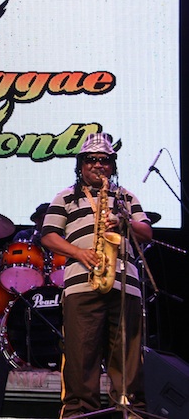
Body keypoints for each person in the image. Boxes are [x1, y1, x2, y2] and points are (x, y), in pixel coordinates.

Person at [40, 132, 152, 418]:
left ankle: (131, 412)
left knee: (128, 362)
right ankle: (78, 413)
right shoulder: (65, 196)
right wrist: (79, 253)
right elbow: (49, 236)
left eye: (105, 160)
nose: (98, 165)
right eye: (91, 159)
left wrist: (124, 222)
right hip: (81, 286)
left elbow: (146, 232)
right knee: (81, 358)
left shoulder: (126, 197)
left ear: (112, 166)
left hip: (125, 286)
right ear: (81, 164)